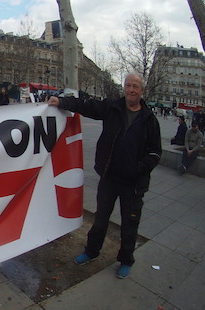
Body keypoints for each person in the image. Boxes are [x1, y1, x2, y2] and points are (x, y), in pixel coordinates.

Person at [47, 73, 162, 279]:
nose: (131, 90)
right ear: (124, 88)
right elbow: (88, 105)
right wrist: (63, 101)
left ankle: (126, 260)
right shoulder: (113, 108)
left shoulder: (149, 120)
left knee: (129, 225)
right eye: (128, 86)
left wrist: (139, 168)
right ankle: (91, 251)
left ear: (141, 91)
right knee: (100, 219)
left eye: (135, 86)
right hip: (109, 178)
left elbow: (155, 152)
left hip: (134, 184)